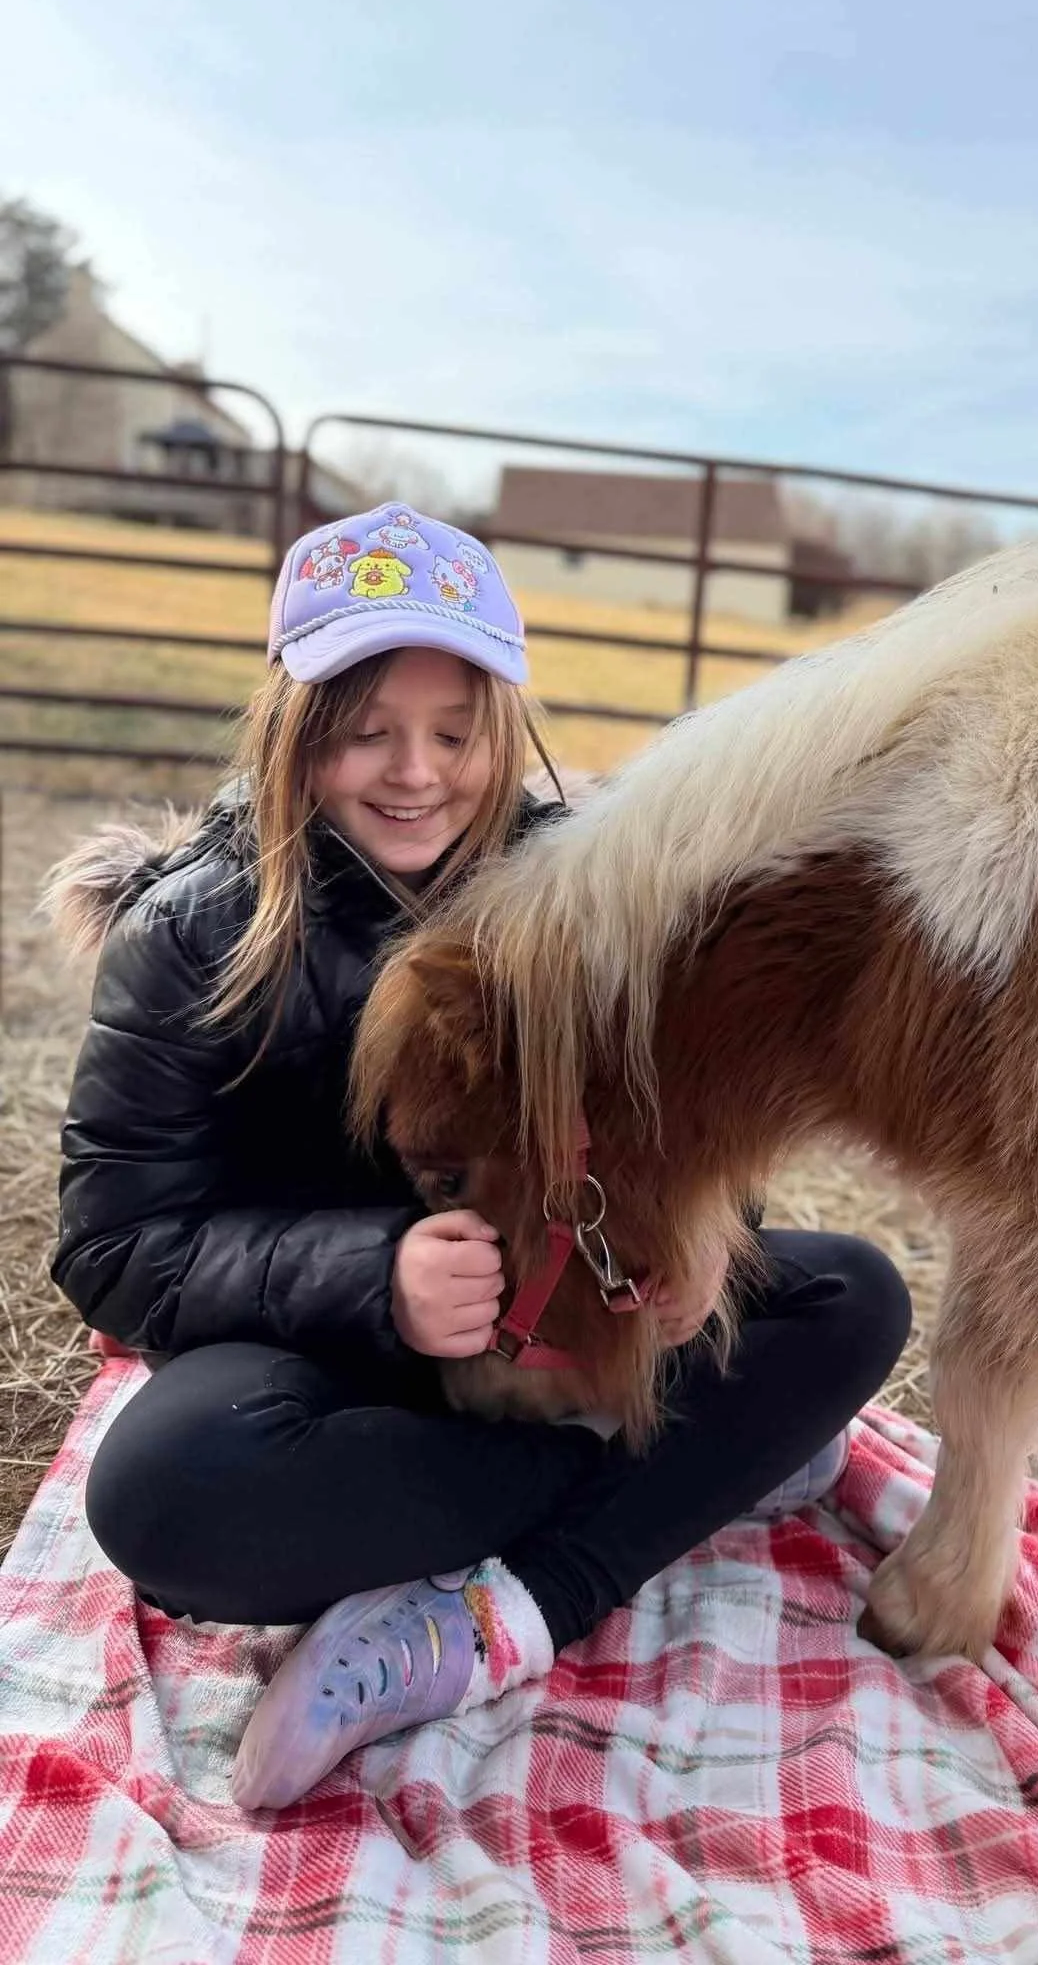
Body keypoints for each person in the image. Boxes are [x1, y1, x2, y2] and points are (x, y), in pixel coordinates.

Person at [47, 504, 912, 1812]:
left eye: (455, 733)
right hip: (325, 1373)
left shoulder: (581, 897)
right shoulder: (193, 932)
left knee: (854, 1295)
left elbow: (676, 1130)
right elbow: (116, 1244)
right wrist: (372, 1278)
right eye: (366, 732)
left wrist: (706, 1241)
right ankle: (681, 1476)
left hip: (557, 1330)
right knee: (167, 1498)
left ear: (502, 728)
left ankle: (483, 1613)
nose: (416, 774)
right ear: (298, 729)